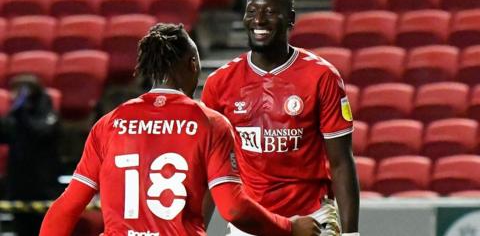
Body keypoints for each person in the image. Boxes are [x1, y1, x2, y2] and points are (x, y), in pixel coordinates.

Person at [40, 23, 322, 236]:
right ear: (192, 64)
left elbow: (67, 207)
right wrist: (289, 227)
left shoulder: (110, 123)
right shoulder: (210, 123)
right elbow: (233, 207)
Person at [201, 0, 360, 236]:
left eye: (270, 12)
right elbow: (210, 170)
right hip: (252, 222)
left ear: (290, 19)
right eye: (252, 11)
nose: (259, 20)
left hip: (312, 217)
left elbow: (341, 162)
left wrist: (351, 233)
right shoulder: (219, 84)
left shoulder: (321, 77)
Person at [0, 74, 62, 236]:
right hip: (19, 186)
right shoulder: (16, 115)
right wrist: (17, 113)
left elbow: (42, 132)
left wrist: (24, 114)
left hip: (43, 186)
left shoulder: (46, 111)